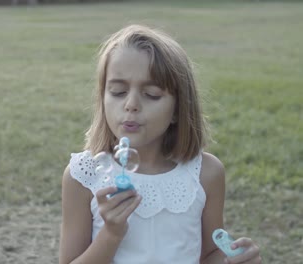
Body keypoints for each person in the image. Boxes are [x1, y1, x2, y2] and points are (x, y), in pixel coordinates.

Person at [59, 24, 262, 264]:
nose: (131, 104)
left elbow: (209, 255)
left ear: (178, 108)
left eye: (152, 94)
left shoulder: (205, 174)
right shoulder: (84, 175)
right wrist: (111, 234)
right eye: (117, 91)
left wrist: (232, 259)